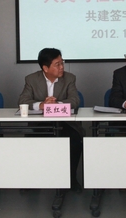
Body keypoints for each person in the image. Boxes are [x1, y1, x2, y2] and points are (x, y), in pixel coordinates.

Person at [18, 48, 83, 191]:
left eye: (62, 63)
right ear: (45, 68)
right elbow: (23, 100)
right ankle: (32, 180)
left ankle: (71, 179)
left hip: (65, 123)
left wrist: (56, 104)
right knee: (30, 141)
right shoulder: (31, 79)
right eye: (57, 64)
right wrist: (42, 105)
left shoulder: (69, 78)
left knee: (74, 140)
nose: (62, 67)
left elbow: (75, 100)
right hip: (40, 124)